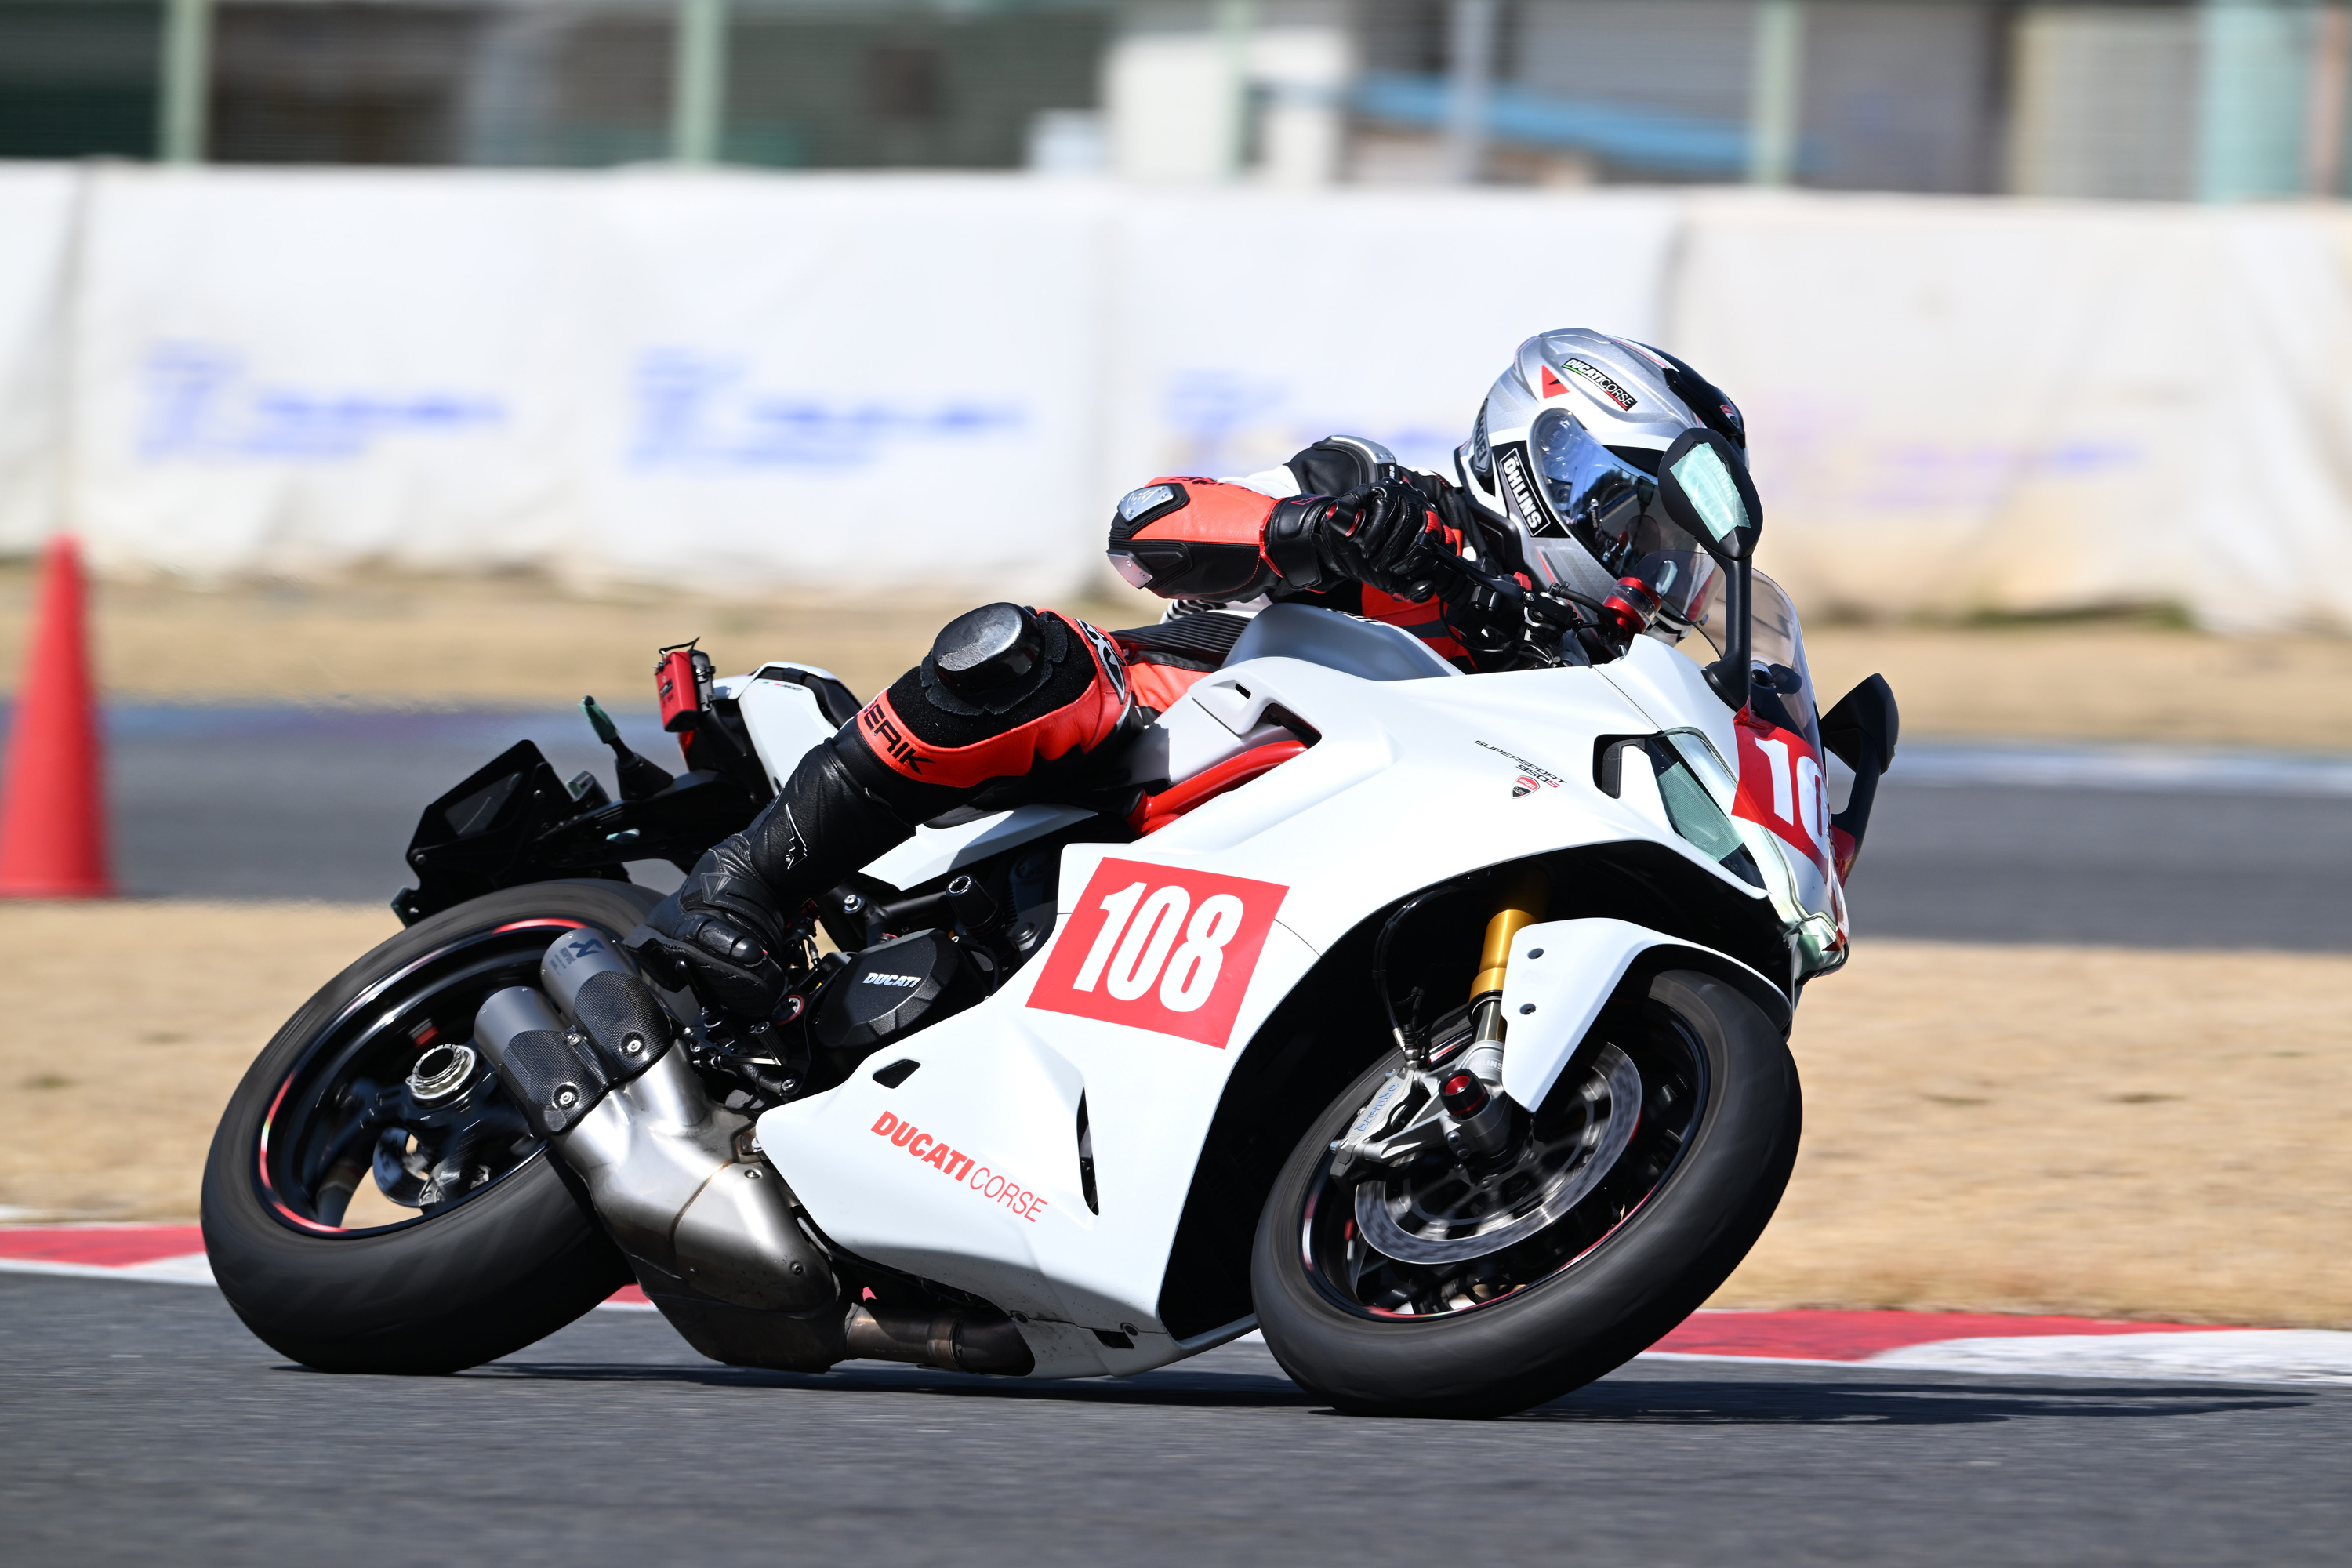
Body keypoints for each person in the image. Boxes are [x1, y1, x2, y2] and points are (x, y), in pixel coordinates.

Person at [630, 329, 1750, 1016]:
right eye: (1642, 528)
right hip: (1163, 748)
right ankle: (743, 880)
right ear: (1557, 461)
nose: (1653, 567)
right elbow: (1149, 524)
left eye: (1673, 554)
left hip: (1317, 878)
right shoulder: (1391, 501)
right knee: (1029, 654)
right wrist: (1318, 529)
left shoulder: (1577, 668)